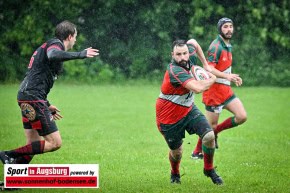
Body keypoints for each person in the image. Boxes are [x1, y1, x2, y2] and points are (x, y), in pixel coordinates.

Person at [0, 20, 99, 165]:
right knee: (55, 143)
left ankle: (13, 182)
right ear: (70, 36)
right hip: (32, 97)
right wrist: (81, 54)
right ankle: (7, 154)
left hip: (27, 96)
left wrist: (46, 104)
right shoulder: (55, 44)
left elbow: (37, 76)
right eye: (76, 36)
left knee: (32, 145)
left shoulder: (49, 46)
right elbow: (53, 55)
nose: (76, 40)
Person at [156, 39, 223, 185]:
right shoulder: (175, 70)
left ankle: (209, 169)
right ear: (172, 55)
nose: (183, 57)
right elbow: (198, 88)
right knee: (177, 152)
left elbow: (193, 41)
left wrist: (205, 64)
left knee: (209, 136)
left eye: (185, 53)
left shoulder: (189, 56)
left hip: (188, 109)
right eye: (178, 54)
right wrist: (213, 78)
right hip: (169, 116)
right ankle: (175, 173)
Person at [191, 18, 247, 159]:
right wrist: (227, 76)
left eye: (231, 26)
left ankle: (215, 134)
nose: (229, 29)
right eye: (225, 27)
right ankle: (196, 152)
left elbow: (224, 69)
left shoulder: (227, 45)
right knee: (210, 127)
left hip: (225, 90)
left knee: (241, 116)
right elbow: (209, 68)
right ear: (220, 29)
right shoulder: (216, 46)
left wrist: (231, 77)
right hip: (214, 92)